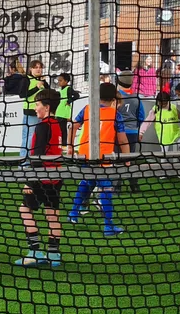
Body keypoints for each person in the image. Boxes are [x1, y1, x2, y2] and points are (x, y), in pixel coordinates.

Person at [67, 82, 130, 236]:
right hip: (103, 158)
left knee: (87, 181)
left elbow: (73, 126)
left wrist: (69, 146)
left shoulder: (87, 109)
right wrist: (128, 158)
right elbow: (122, 140)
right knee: (107, 189)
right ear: (113, 97)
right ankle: (108, 226)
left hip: (85, 155)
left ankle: (73, 213)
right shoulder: (116, 115)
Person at [16, 89, 65, 268]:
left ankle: (35, 252)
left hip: (41, 178)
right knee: (52, 215)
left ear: (47, 107)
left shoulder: (42, 125)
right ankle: (53, 255)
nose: (35, 109)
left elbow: (37, 157)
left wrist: (29, 181)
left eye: (37, 105)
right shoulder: (59, 123)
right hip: (56, 177)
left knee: (24, 210)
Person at [19, 59, 46, 158]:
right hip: (31, 113)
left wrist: (43, 83)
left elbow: (48, 93)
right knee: (29, 137)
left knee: (35, 137)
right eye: (36, 67)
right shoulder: (26, 79)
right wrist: (37, 87)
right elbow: (22, 95)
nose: (39, 69)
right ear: (31, 69)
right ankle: (25, 161)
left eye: (40, 67)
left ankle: (30, 160)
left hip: (42, 113)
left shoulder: (42, 81)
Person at [54, 73, 78, 138]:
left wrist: (69, 101)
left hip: (64, 112)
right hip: (59, 111)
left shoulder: (68, 88)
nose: (59, 82)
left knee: (63, 129)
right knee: (59, 129)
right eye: (58, 80)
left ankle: (64, 144)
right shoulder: (61, 89)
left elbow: (76, 95)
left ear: (66, 81)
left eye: (60, 80)